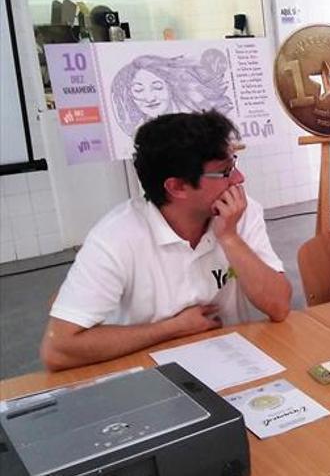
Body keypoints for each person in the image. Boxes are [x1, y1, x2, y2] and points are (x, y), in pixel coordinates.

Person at [40, 110, 292, 371]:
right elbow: (58, 351)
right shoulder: (116, 237)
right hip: (148, 372)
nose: (239, 179)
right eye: (225, 171)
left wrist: (229, 237)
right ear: (177, 187)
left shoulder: (241, 211)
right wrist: (171, 329)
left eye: (235, 163)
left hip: (234, 361)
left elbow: (279, 306)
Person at [110, 52, 234, 136]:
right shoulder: (141, 131)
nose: (149, 98)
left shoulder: (200, 122)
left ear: (171, 86)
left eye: (157, 87)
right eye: (138, 90)